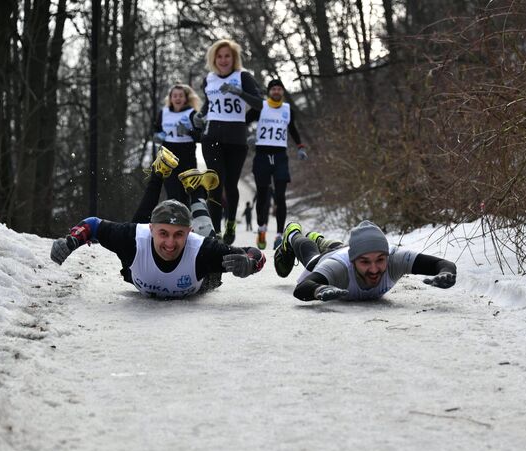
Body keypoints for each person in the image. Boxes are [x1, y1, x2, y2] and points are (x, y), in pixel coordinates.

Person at [50, 147, 266, 299]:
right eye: (163, 233)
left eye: (179, 235)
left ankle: (196, 190)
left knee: (209, 236)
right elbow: (93, 225)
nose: (170, 243)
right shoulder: (134, 237)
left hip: (201, 278)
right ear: (151, 229)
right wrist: (71, 241)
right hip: (141, 245)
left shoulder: (201, 249)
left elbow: (256, 254)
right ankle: (160, 174)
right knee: (135, 229)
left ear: (188, 233)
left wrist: (249, 264)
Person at [273, 220, 457, 302]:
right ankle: (293, 234)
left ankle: (319, 238)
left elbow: (442, 264)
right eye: (365, 262)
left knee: (339, 246)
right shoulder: (338, 268)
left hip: (345, 248)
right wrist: (320, 289)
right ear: (353, 262)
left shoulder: (395, 259)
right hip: (333, 256)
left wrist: (445, 274)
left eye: (380, 260)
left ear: (387, 256)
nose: (374, 269)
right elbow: (302, 288)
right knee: (313, 258)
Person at [194, 39, 263, 245]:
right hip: (212, 137)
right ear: (214, 59)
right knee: (214, 183)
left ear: (234, 59)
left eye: (227, 56)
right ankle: (215, 233)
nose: (223, 60)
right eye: (219, 56)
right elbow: (209, 103)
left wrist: (239, 93)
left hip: (236, 139)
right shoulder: (209, 79)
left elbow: (260, 104)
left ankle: (231, 223)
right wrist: (200, 115)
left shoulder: (243, 77)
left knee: (230, 184)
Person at [246, 79, 308, 250]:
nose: (276, 91)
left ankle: (279, 235)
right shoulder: (261, 107)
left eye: (279, 88)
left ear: (283, 91)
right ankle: (261, 228)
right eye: (273, 88)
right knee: (263, 194)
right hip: (262, 155)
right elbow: (244, 122)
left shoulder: (288, 110)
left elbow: (292, 129)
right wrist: (248, 136)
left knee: (280, 196)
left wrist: (300, 147)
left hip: (280, 155)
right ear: (269, 91)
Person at [152, 83, 202, 205]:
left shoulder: (192, 113)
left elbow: (200, 136)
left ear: (186, 98)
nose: (178, 98)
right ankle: (174, 219)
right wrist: (158, 136)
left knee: (186, 191)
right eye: (175, 96)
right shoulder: (163, 113)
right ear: (170, 98)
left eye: (181, 96)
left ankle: (186, 219)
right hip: (168, 155)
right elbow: (156, 131)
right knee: (172, 192)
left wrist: (188, 131)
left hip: (187, 154)